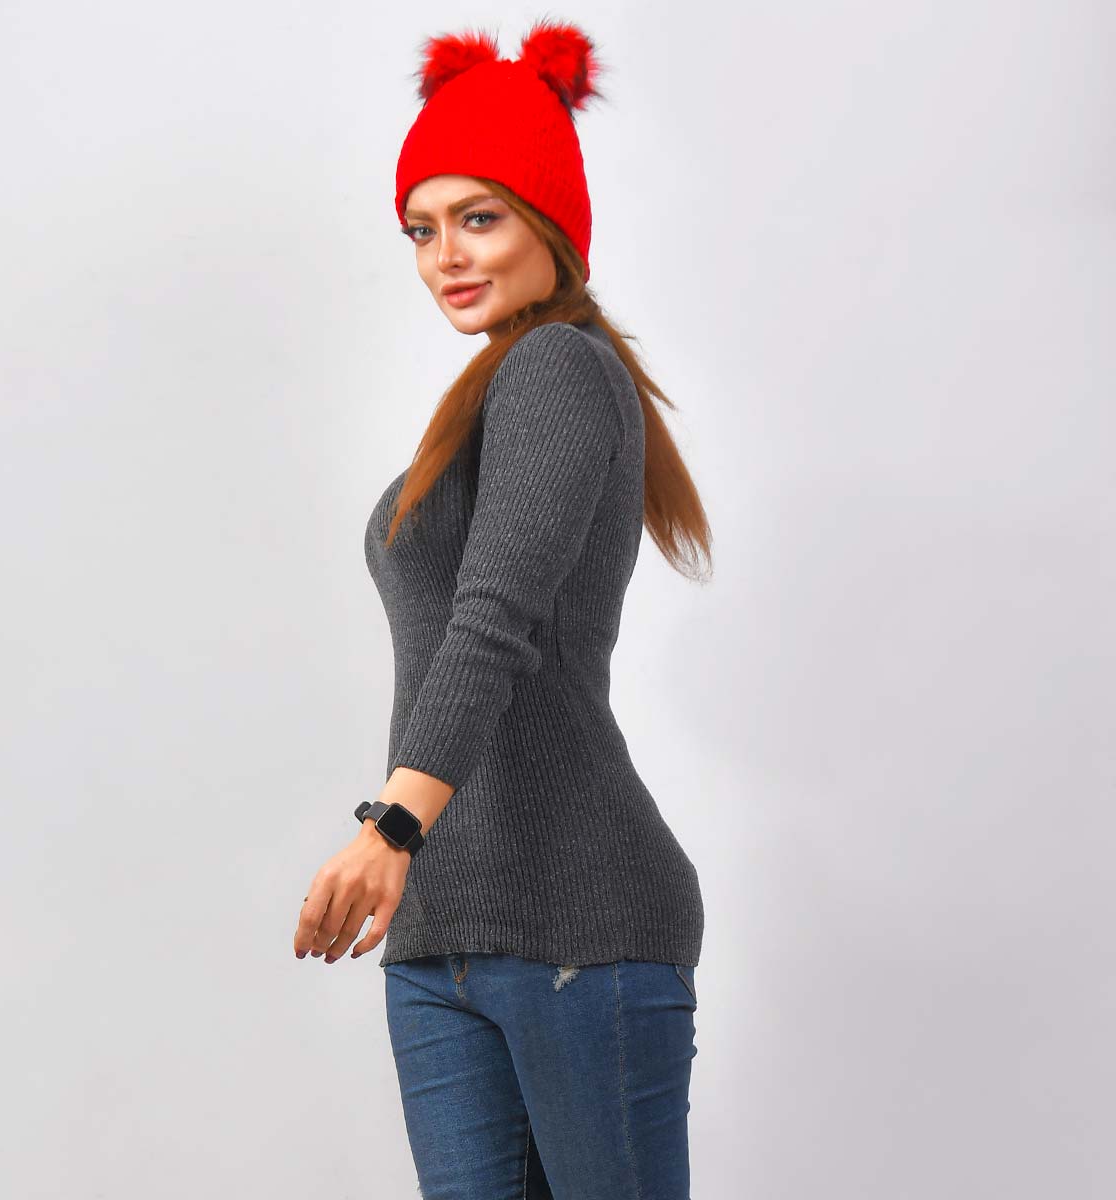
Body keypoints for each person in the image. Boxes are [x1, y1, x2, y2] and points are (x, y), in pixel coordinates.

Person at [294, 19, 713, 1198]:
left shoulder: (559, 368)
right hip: (440, 935)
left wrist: (391, 828)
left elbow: (494, 619)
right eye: (421, 230)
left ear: (550, 224)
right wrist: (411, 856)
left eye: (477, 218)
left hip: (581, 922)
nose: (444, 257)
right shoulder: (487, 396)